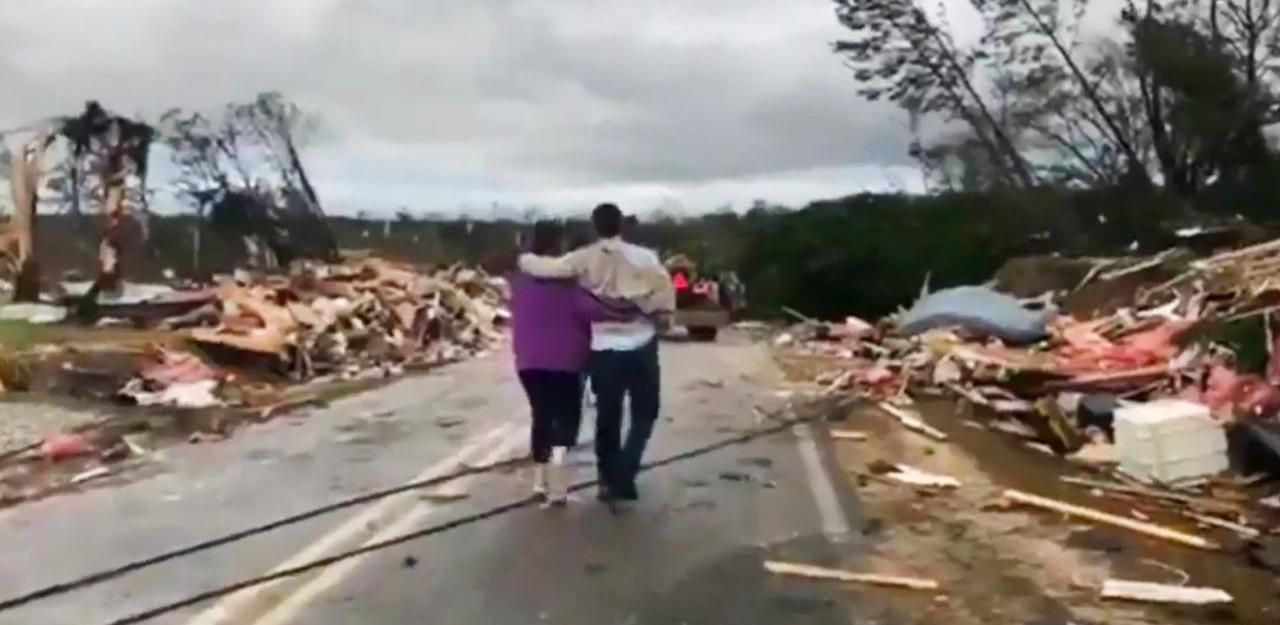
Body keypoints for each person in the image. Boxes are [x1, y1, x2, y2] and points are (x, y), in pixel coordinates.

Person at [518, 204, 675, 505]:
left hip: (604, 346)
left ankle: (606, 480)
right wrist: (660, 316)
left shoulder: (583, 258)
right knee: (645, 412)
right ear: (622, 225)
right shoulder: (645, 258)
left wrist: (524, 259)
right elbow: (663, 293)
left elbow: (548, 268)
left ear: (594, 227)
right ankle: (625, 471)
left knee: (608, 416)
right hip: (641, 342)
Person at [507, 220, 635, 506]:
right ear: (559, 244)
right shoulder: (570, 283)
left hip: (529, 361)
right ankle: (558, 488)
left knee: (541, 416)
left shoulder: (519, 281)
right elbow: (597, 310)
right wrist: (632, 311)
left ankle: (539, 483)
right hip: (566, 362)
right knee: (565, 420)